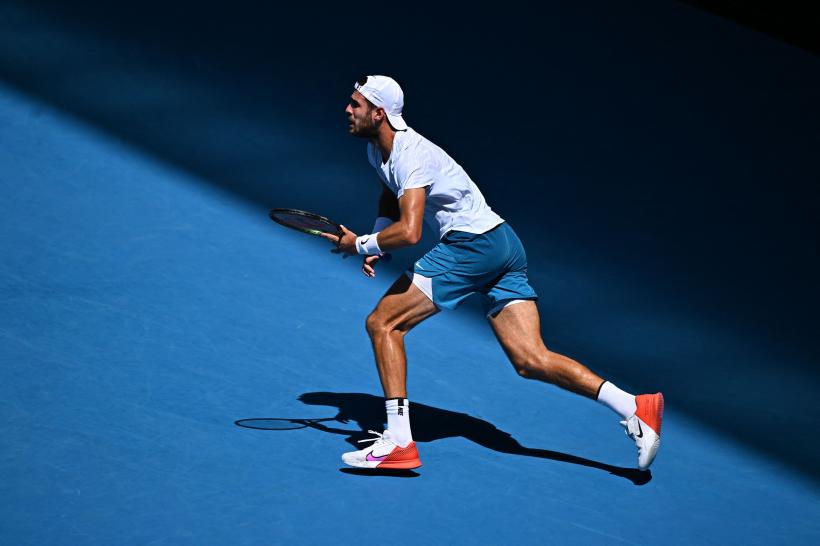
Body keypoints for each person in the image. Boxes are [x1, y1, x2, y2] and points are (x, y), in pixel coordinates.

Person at [321, 75, 663, 471]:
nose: (348, 109)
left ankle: (399, 442)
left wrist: (361, 244)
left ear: (379, 113)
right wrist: (381, 233)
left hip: (471, 246)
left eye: (356, 104)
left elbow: (412, 231)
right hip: (503, 242)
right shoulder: (378, 151)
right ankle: (634, 405)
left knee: (384, 324)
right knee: (531, 359)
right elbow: (390, 189)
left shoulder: (411, 154)